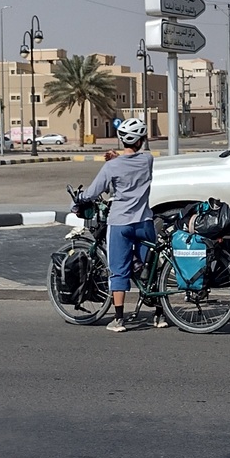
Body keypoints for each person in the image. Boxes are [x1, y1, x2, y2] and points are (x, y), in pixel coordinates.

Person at [77, 118, 166, 331]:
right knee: (150, 270)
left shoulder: (111, 166)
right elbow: (133, 164)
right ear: (141, 141)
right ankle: (159, 315)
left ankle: (118, 320)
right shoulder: (147, 161)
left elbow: (93, 192)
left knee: (118, 270)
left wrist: (78, 199)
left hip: (120, 225)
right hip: (144, 223)